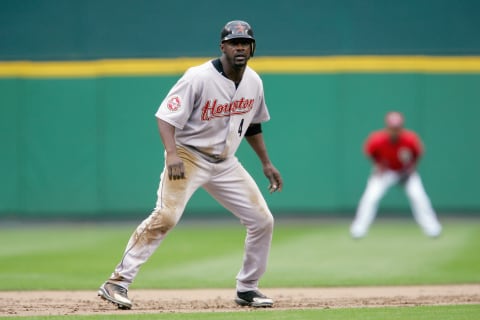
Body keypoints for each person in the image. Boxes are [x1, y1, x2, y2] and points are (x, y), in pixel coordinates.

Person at [97, 20, 283, 309]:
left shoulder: (254, 82)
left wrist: (266, 163)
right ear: (222, 47)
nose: (240, 47)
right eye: (234, 42)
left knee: (262, 221)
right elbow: (165, 117)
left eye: (245, 42)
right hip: (188, 156)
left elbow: (252, 125)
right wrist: (171, 154)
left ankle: (247, 288)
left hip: (225, 162)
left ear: (253, 47)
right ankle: (117, 281)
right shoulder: (198, 77)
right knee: (166, 216)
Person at [350, 111, 442, 239]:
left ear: (401, 128)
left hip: (405, 172)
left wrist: (411, 169)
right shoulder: (377, 139)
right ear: (387, 127)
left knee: (419, 197)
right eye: (392, 128)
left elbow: (418, 153)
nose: (394, 131)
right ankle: (359, 228)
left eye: (397, 128)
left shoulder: (410, 139)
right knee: (370, 197)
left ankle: (432, 228)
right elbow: (369, 152)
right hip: (385, 172)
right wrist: (378, 164)